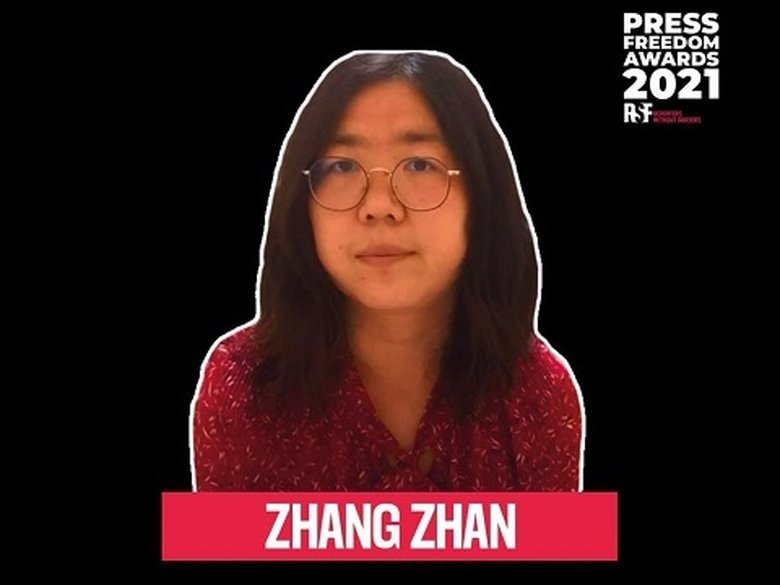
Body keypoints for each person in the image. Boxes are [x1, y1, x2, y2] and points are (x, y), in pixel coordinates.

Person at [191, 50, 585, 492]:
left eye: (419, 164)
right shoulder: (244, 384)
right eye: (342, 166)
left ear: (481, 194)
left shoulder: (536, 394)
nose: (379, 206)